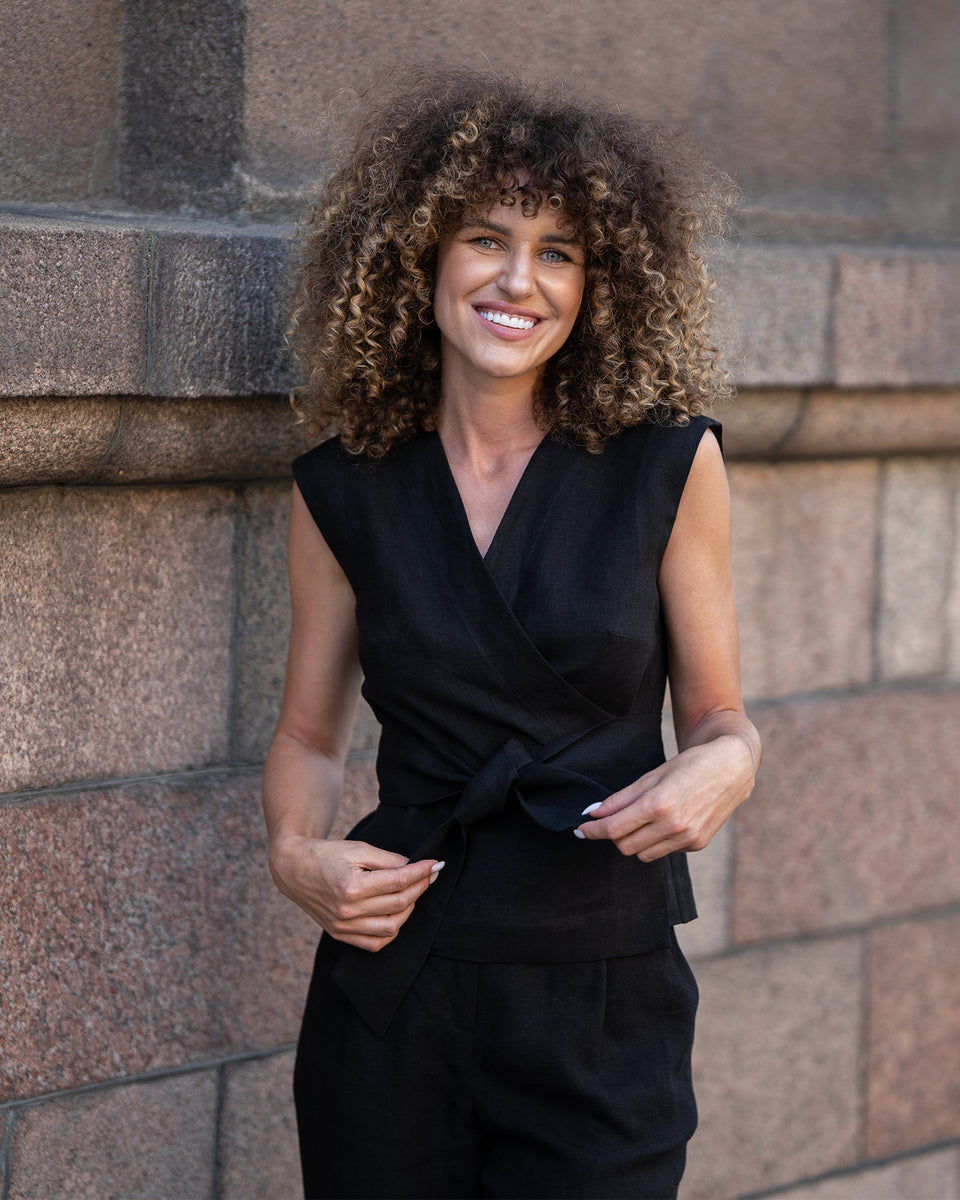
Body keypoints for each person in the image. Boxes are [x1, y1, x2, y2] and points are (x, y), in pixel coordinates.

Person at [263, 69, 760, 1200]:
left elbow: (720, 715)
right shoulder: (342, 489)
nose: (519, 281)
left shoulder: (669, 464)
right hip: (394, 982)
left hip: (604, 993)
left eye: (559, 252)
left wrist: (729, 762)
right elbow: (306, 734)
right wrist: (296, 855)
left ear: (599, 282)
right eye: (487, 239)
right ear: (421, 255)